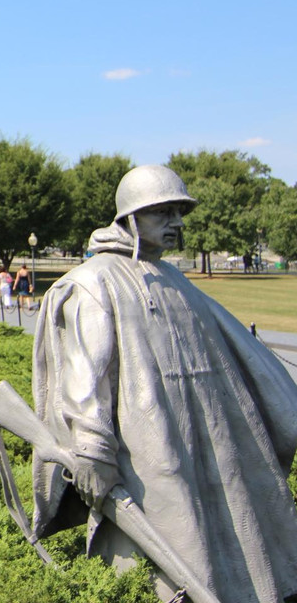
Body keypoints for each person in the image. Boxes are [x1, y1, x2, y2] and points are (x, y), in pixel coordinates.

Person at [31, 165, 297, 602]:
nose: (175, 223)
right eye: (162, 213)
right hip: (148, 453)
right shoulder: (92, 283)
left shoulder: (174, 279)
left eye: (178, 212)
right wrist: (94, 449)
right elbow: (86, 376)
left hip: (208, 440)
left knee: (230, 535)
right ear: (131, 219)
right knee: (168, 551)